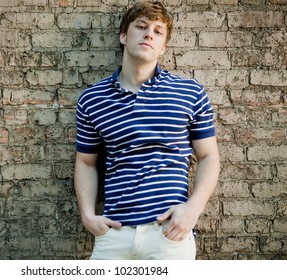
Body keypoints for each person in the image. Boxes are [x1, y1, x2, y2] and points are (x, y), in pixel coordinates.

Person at [74, 0, 220, 260]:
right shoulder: (92, 99)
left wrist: (193, 209)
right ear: (123, 35)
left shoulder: (189, 93)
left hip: (169, 233)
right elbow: (86, 162)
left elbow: (209, 156)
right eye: (141, 27)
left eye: (158, 31)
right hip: (113, 234)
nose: (149, 33)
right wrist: (87, 215)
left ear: (163, 47)